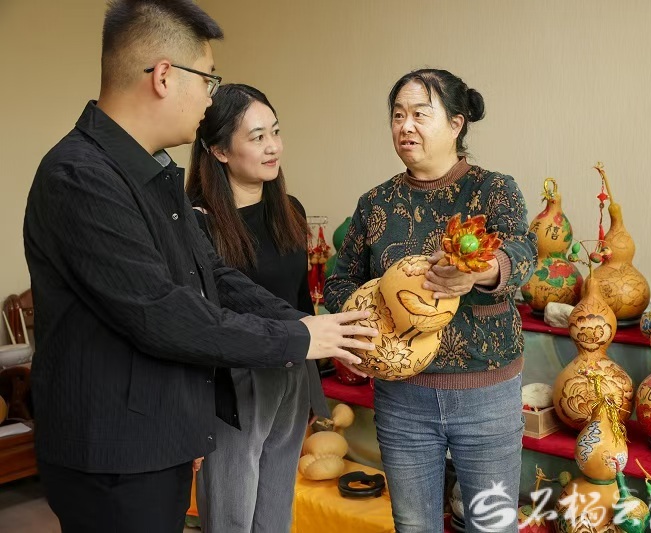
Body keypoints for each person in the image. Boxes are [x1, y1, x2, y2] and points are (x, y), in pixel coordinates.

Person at [22, 2, 375, 533]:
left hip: (157, 435)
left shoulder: (152, 174)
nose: (211, 96)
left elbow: (214, 276)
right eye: (209, 78)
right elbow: (162, 313)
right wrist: (299, 337)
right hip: (114, 451)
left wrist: (308, 326)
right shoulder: (81, 177)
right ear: (164, 76)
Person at [324, 68, 537, 533]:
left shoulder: (493, 189)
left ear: (456, 123)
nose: (406, 126)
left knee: (492, 525)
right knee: (413, 524)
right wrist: (358, 330)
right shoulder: (375, 203)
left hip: (486, 395)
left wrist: (480, 270)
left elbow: (523, 252)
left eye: (420, 114)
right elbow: (340, 284)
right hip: (402, 398)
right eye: (398, 115)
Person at [186, 83, 328, 533]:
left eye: (276, 132)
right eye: (257, 136)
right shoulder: (197, 222)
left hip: (292, 370)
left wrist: (313, 379)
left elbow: (299, 300)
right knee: (232, 516)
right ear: (219, 151)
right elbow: (199, 323)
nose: (273, 147)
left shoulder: (290, 210)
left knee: (275, 513)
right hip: (234, 382)